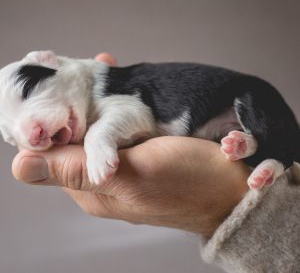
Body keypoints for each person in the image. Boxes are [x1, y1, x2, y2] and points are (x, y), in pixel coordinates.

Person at [12, 53, 300, 273]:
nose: (29, 132)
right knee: (235, 144)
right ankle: (254, 149)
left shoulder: (102, 86)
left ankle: (276, 159)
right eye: (10, 133)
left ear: (50, 62)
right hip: (219, 131)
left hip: (233, 98)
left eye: (27, 93)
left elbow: (135, 115)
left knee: (253, 97)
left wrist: (98, 139)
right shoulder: (79, 108)